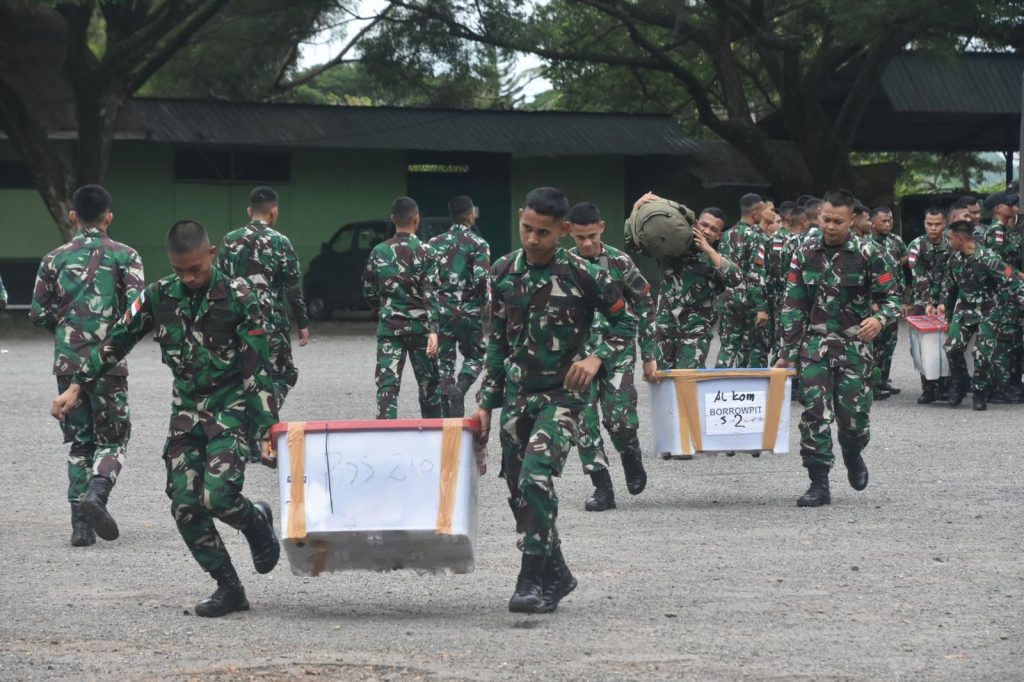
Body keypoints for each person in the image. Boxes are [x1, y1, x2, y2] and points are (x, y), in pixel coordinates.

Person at [50, 220, 280, 617]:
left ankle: (256, 521)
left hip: (229, 409)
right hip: (186, 414)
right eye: (179, 270)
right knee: (185, 506)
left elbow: (256, 367)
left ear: (211, 255)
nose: (188, 278)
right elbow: (116, 339)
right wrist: (77, 385)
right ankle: (229, 588)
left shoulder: (241, 297)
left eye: (195, 269)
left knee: (220, 497)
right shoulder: (158, 296)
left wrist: (266, 431)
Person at [472, 187, 637, 614]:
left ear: (562, 231)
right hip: (516, 394)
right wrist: (484, 405)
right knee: (518, 492)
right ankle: (558, 571)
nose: (531, 239)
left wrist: (598, 356)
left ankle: (529, 579)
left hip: (563, 397)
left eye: (542, 232)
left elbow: (626, 321)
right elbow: (497, 346)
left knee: (535, 478)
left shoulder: (586, 275)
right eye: (526, 228)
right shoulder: (502, 272)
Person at [30, 185, 144, 546]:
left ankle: (80, 525)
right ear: (109, 216)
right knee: (113, 438)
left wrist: (66, 331)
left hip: (67, 362)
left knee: (81, 442)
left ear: (73, 216)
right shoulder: (127, 256)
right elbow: (138, 310)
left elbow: (37, 314)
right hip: (108, 362)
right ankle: (98, 494)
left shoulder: (54, 259)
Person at [775, 189, 900, 507]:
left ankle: (853, 451)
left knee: (854, 420)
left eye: (838, 221)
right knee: (815, 415)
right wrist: (788, 354)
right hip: (815, 346)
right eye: (826, 219)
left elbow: (893, 297)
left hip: (854, 348)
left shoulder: (869, 253)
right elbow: (793, 303)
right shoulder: (804, 251)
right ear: (819, 217)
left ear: (852, 221)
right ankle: (819, 484)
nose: (831, 226)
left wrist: (880, 319)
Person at [567, 201, 653, 512]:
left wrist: (650, 355)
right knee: (583, 424)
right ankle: (602, 487)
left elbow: (644, 303)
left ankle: (631, 457)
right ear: (569, 234)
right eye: (580, 237)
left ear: (602, 227)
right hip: (579, 359)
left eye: (591, 235)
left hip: (618, 353)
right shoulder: (564, 267)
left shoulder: (620, 262)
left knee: (620, 420)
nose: (587, 243)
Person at [218, 186, 310, 408]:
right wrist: (302, 322)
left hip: (236, 322)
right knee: (282, 373)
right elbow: (293, 287)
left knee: (239, 374)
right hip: (270, 321)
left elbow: (218, 284)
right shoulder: (281, 241)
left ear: (249, 210)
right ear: (274, 212)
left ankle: (243, 422)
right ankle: (264, 416)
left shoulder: (229, 240)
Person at [362, 196, 441, 419]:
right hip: (421, 329)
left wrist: (384, 310)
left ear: (392, 219)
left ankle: (385, 439)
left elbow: (368, 291)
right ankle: (433, 437)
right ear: (417, 219)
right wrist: (434, 330)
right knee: (429, 387)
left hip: (389, 328)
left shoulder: (379, 251)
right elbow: (432, 294)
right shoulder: (427, 251)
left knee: (387, 387)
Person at [940, 220, 1024, 411]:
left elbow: (1013, 283)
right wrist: (947, 317)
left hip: (987, 311)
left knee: (982, 354)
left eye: (950, 238)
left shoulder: (989, 259)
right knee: (952, 348)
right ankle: (960, 384)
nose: (948, 242)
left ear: (960, 238)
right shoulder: (954, 259)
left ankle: (979, 391)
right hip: (963, 310)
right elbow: (950, 290)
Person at [654, 207, 741, 370]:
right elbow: (638, 241)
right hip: (665, 328)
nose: (707, 231)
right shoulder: (673, 249)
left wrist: (707, 249)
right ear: (695, 224)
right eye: (704, 225)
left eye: (713, 229)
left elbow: (737, 279)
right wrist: (638, 206)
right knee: (660, 382)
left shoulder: (715, 260)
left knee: (686, 385)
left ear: (719, 235)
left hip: (694, 333)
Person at [427, 195, 491, 417]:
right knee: (476, 356)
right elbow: (482, 279)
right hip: (468, 311)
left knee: (444, 362)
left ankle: (448, 412)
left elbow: (428, 282)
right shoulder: (479, 244)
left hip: (441, 311)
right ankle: (460, 390)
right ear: (471, 217)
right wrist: (485, 306)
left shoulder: (433, 244)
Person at [715, 193, 769, 368]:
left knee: (727, 346)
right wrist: (761, 307)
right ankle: (739, 386)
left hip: (727, 297)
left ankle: (718, 383)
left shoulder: (726, 235)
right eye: (762, 210)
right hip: (747, 301)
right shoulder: (755, 236)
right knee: (746, 346)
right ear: (755, 213)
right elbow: (756, 274)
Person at [906, 207, 950, 403]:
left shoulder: (951, 244)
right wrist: (928, 303)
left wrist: (943, 302)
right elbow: (919, 276)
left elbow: (952, 275)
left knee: (947, 344)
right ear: (924, 224)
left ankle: (946, 387)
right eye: (929, 224)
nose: (933, 228)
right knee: (924, 345)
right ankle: (928, 388)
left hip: (947, 301)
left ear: (945, 224)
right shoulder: (916, 245)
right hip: (921, 301)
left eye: (937, 224)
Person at [870, 205, 909, 399]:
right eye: (883, 221)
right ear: (872, 222)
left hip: (893, 298)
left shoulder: (895, 240)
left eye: (890, 220)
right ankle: (873, 383)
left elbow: (904, 258)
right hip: (877, 300)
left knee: (890, 343)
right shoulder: (867, 243)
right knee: (876, 344)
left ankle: (884, 379)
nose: (887, 224)